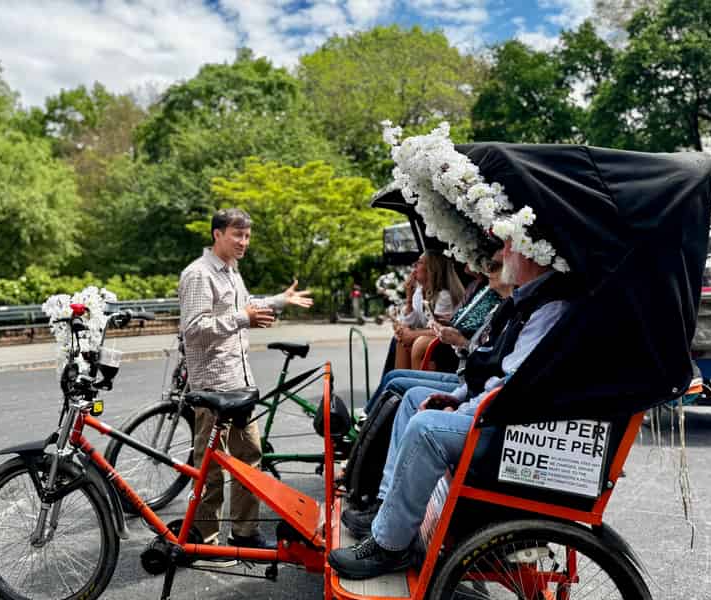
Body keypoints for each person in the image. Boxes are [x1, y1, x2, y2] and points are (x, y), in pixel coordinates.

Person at [329, 238, 571, 579]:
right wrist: (457, 397)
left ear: (533, 255)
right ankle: (387, 509)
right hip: (499, 410)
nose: (503, 253)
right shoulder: (527, 298)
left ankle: (390, 546)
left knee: (426, 427)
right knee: (414, 400)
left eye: (511, 245)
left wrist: (463, 408)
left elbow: (511, 385)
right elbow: (493, 369)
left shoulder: (549, 305)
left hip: (512, 427)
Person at [178, 207, 313, 549]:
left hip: (239, 383)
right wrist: (242, 318)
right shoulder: (198, 274)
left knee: (249, 459)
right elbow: (193, 330)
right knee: (209, 468)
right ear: (217, 234)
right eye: (237, 235)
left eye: (247, 236)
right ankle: (205, 540)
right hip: (213, 386)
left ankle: (245, 532)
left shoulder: (230, 271)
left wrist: (280, 301)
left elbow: (245, 306)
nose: (244, 242)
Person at [363, 249, 509, 414]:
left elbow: (489, 363)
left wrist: (459, 339)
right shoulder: (485, 294)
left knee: (408, 376)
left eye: (493, 266)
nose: (487, 269)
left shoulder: (503, 307)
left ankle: (376, 420)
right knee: (394, 372)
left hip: (470, 381)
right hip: (468, 379)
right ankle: (370, 420)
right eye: (486, 264)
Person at [394, 250, 465, 370]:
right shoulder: (418, 292)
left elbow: (439, 329)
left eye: (419, 263)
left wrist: (411, 334)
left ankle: (412, 383)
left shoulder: (444, 295)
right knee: (401, 342)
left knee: (416, 343)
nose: (414, 267)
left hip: (446, 345)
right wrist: (409, 297)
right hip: (430, 337)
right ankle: (401, 386)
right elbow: (410, 323)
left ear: (431, 269)